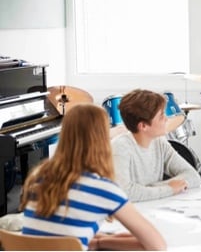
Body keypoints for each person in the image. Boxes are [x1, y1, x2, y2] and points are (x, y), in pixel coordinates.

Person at [19, 104, 166, 250]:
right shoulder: (103, 189)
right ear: (102, 140)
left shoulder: (38, 176)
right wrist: (100, 242)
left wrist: (101, 239)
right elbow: (157, 246)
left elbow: (56, 232)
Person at [112, 89, 201, 202]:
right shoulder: (120, 147)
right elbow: (124, 193)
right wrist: (169, 189)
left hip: (152, 207)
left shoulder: (159, 142)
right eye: (161, 116)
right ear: (143, 126)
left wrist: (148, 189)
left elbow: (193, 176)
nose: (166, 119)